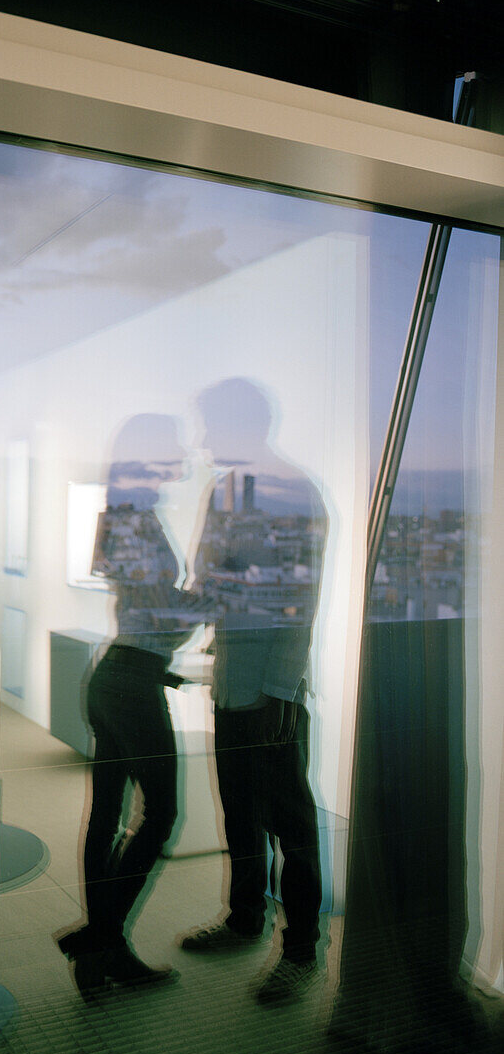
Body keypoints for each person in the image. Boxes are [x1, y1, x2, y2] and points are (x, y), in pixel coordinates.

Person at [178, 378, 327, 1006]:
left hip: (271, 692)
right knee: (240, 814)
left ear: (245, 426)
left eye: (212, 425)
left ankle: (300, 952)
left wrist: (277, 692)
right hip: (234, 683)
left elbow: (298, 600)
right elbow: (210, 577)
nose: (205, 439)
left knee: (290, 826)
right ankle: (245, 920)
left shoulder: (293, 492)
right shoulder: (224, 489)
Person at [56, 413, 202, 999]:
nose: (183, 456)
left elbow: (141, 610)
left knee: (108, 818)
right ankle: (103, 939)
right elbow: (159, 610)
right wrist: (218, 593)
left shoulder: (121, 514)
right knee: (160, 816)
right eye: (174, 447)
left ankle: (99, 952)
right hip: (130, 684)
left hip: (118, 676)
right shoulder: (135, 519)